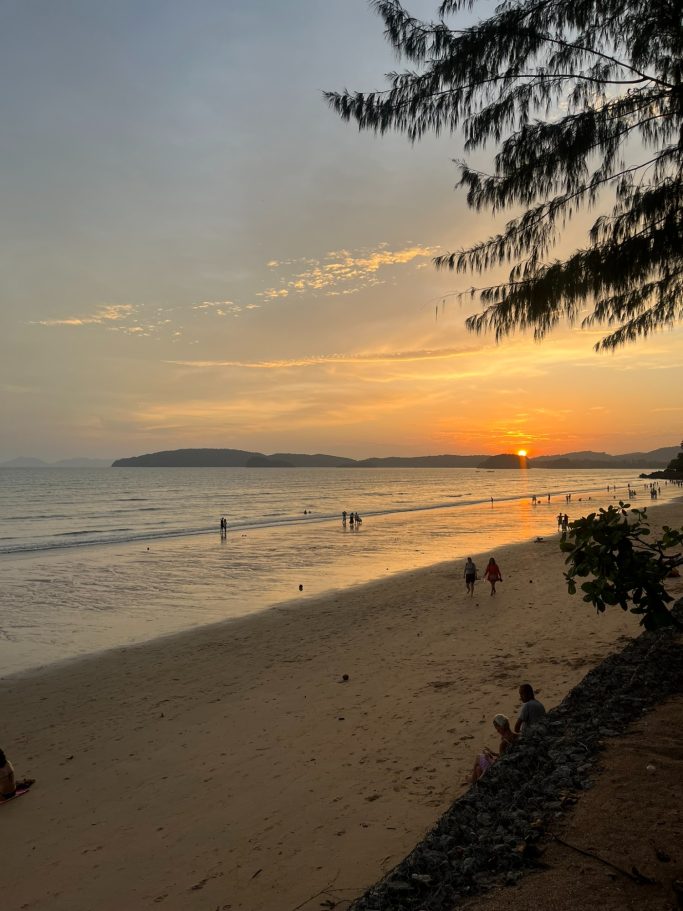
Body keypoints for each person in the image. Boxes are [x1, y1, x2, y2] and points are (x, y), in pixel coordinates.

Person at [471, 714, 518, 782]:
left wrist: (488, 758)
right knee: (478, 769)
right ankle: (474, 781)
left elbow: (502, 763)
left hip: (499, 771)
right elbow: (506, 755)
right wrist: (493, 753)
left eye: (497, 728)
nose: (497, 731)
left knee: (479, 757)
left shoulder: (504, 743)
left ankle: (473, 780)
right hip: (512, 764)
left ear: (500, 727)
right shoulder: (517, 736)